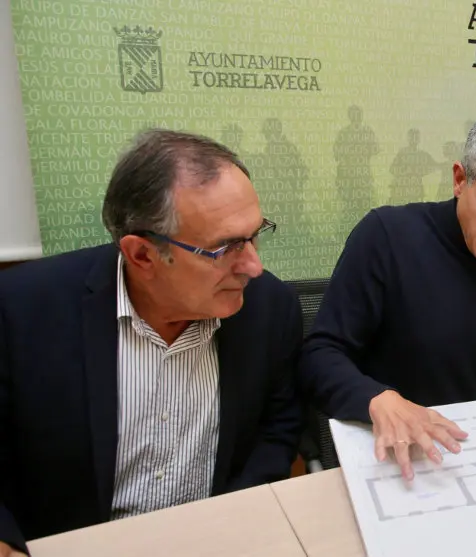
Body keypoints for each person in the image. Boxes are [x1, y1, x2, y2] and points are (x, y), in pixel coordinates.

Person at [0, 130, 303, 555]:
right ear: (142, 256)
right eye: (226, 247)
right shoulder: (21, 312)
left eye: (255, 235)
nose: (254, 266)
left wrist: (234, 525)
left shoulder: (271, 308)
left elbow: (278, 429)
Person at [299, 113, 476, 481]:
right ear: (459, 179)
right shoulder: (386, 236)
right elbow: (320, 357)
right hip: (399, 458)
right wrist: (378, 399)